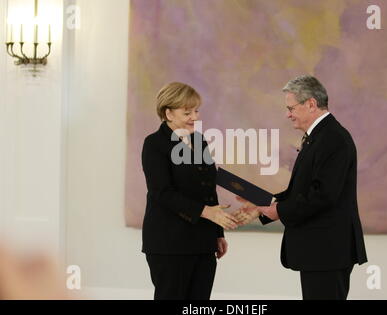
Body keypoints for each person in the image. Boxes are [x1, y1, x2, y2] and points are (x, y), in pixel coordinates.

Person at [235, 75, 368, 300]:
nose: (288, 114)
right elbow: (302, 190)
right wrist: (263, 204)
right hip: (321, 251)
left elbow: (323, 195)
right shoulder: (320, 136)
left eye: (291, 108)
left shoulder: (332, 138)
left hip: (327, 252)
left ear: (311, 104)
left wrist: (279, 210)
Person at [141, 82, 238, 300]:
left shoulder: (199, 141)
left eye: (196, 111)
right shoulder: (154, 144)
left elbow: (207, 187)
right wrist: (207, 212)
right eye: (187, 112)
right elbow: (162, 192)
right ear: (168, 113)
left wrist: (217, 233)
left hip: (202, 241)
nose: (195, 117)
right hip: (169, 243)